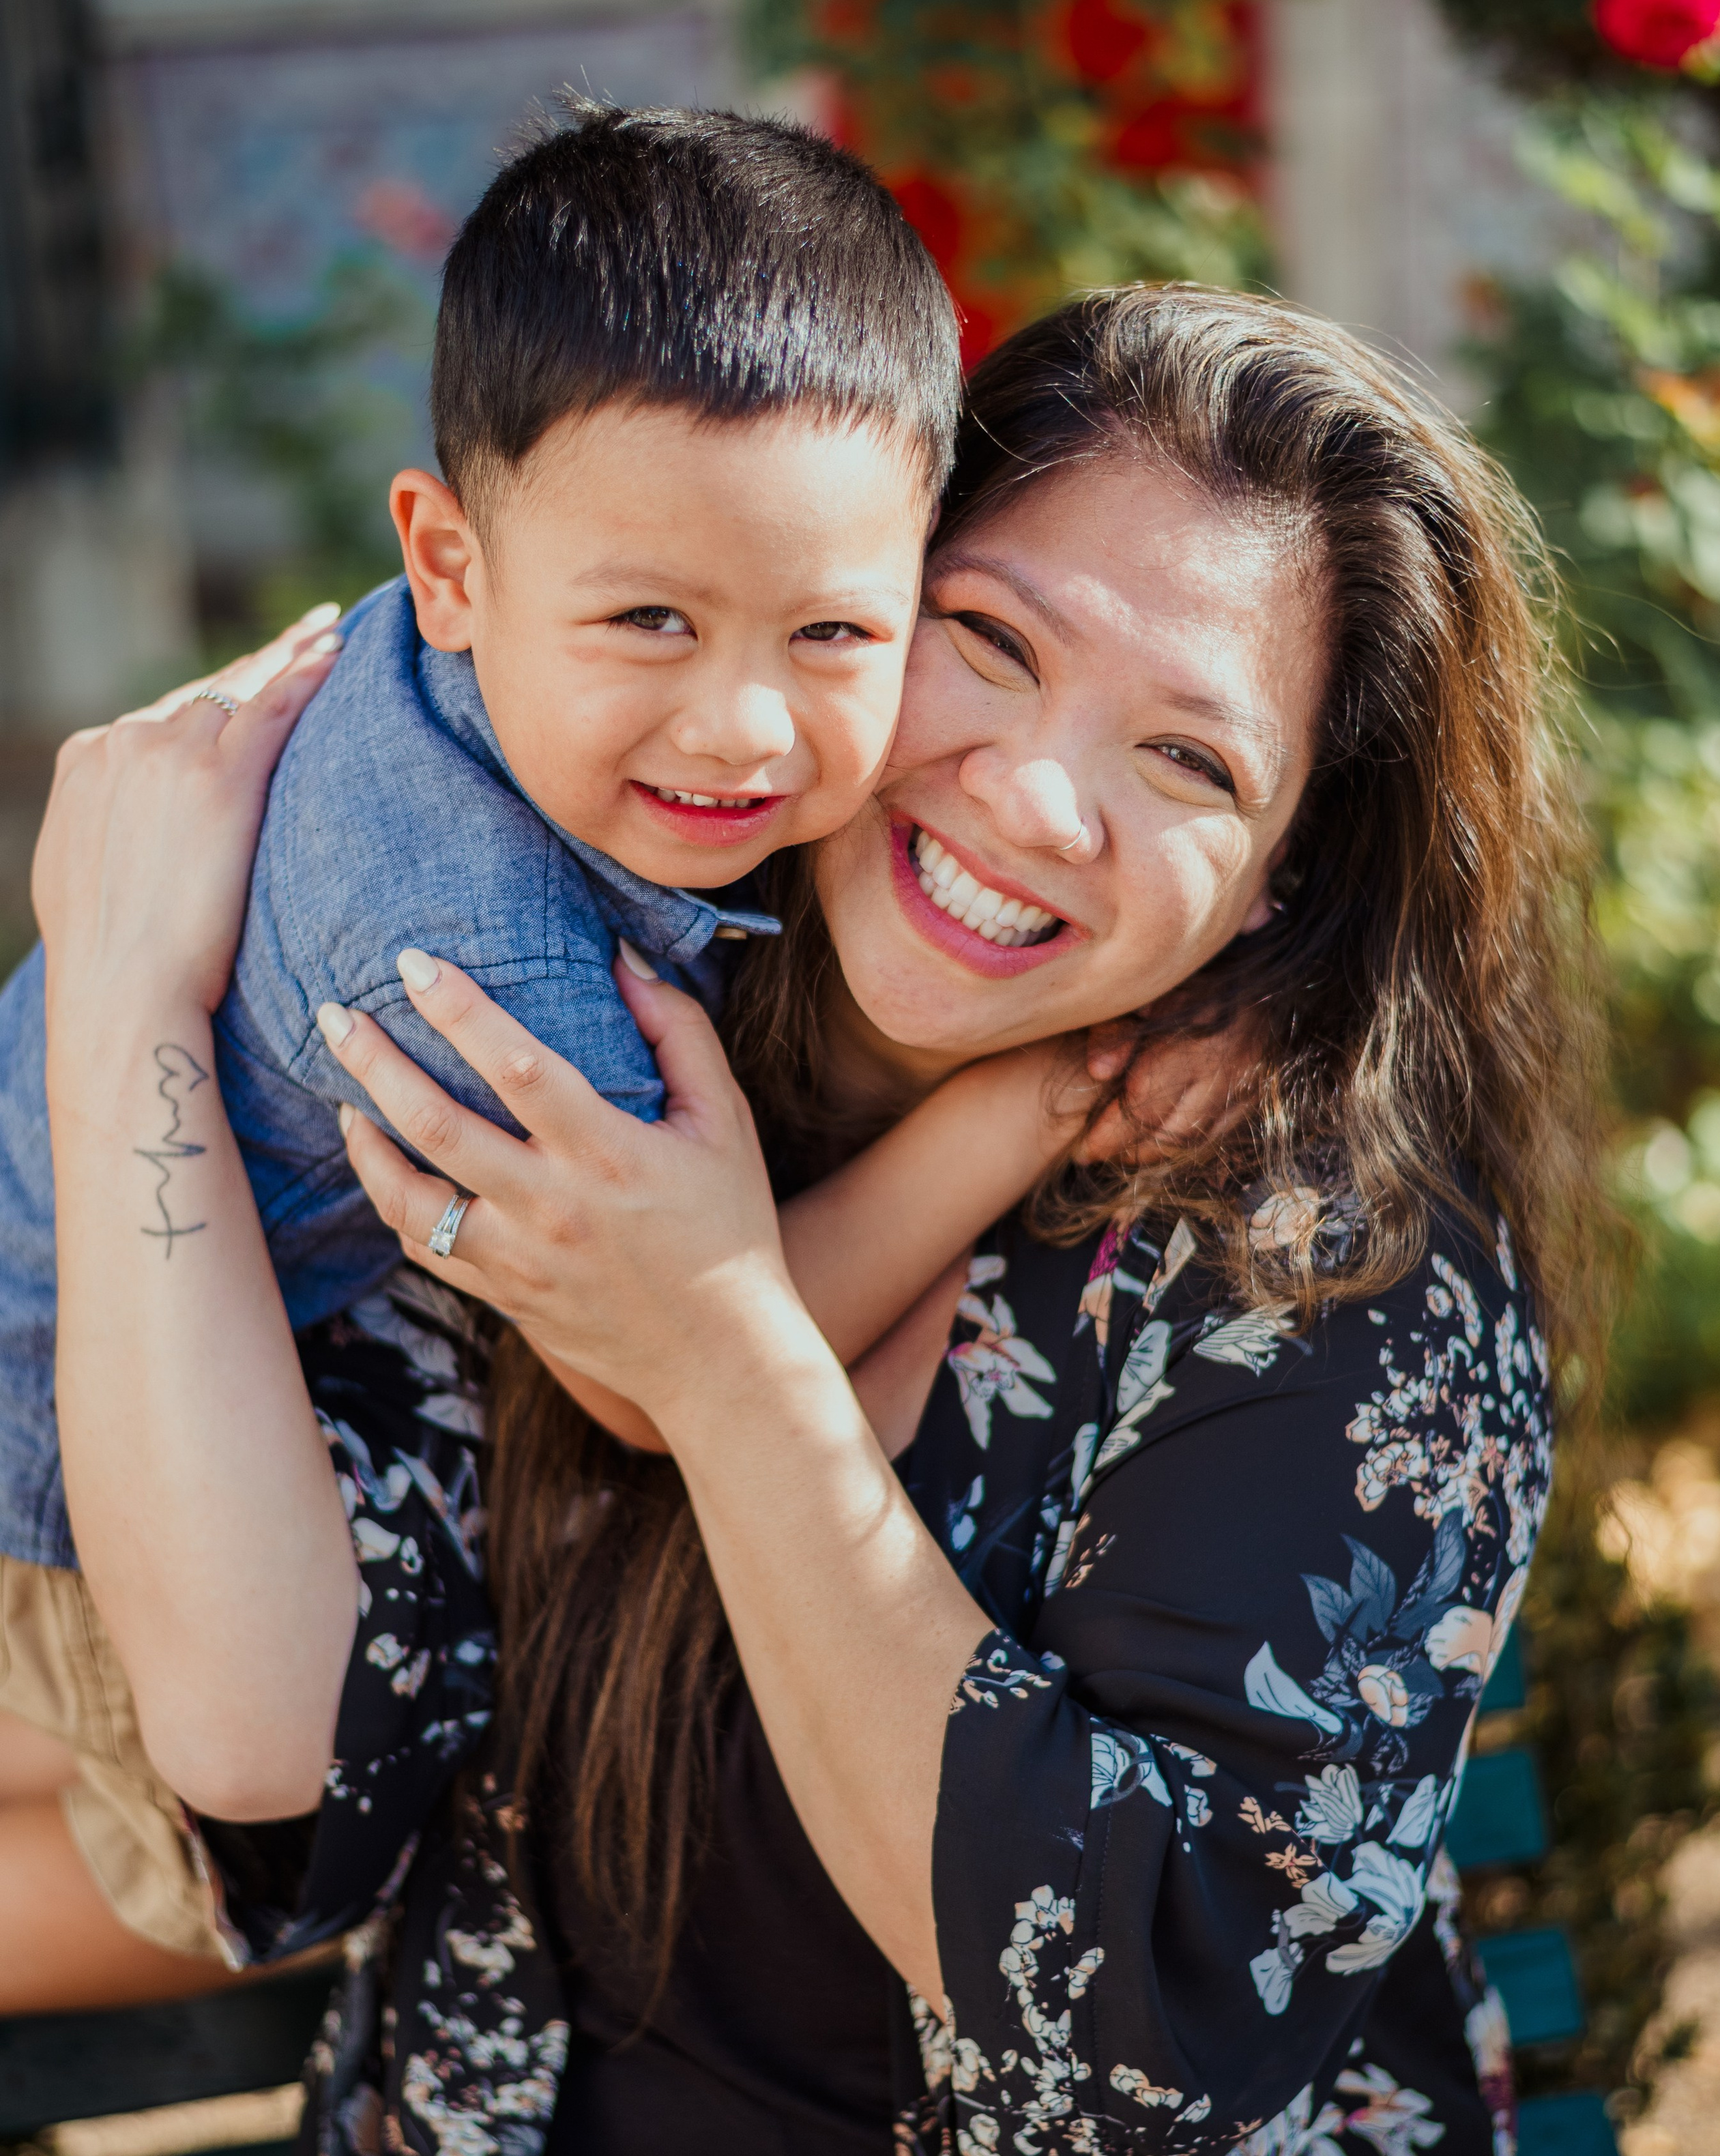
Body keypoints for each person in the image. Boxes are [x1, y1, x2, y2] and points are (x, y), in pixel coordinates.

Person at [38, 285, 1604, 2156]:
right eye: (992, 639)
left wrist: (726, 1355)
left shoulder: (1335, 1284)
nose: (1039, 798)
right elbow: (311, 1739)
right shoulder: (613, 1026)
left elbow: (1116, 2070)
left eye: (1188, 757)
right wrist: (122, 998)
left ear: (1280, 883)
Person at [0, 105, 1094, 2009]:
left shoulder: (474, 665)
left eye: (836, 626)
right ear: (448, 561)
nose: (743, 722)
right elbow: (658, 1371)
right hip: (56, 1449)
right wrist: (1034, 1103)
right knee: (227, 1838)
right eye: (651, 620)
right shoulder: (474, 952)